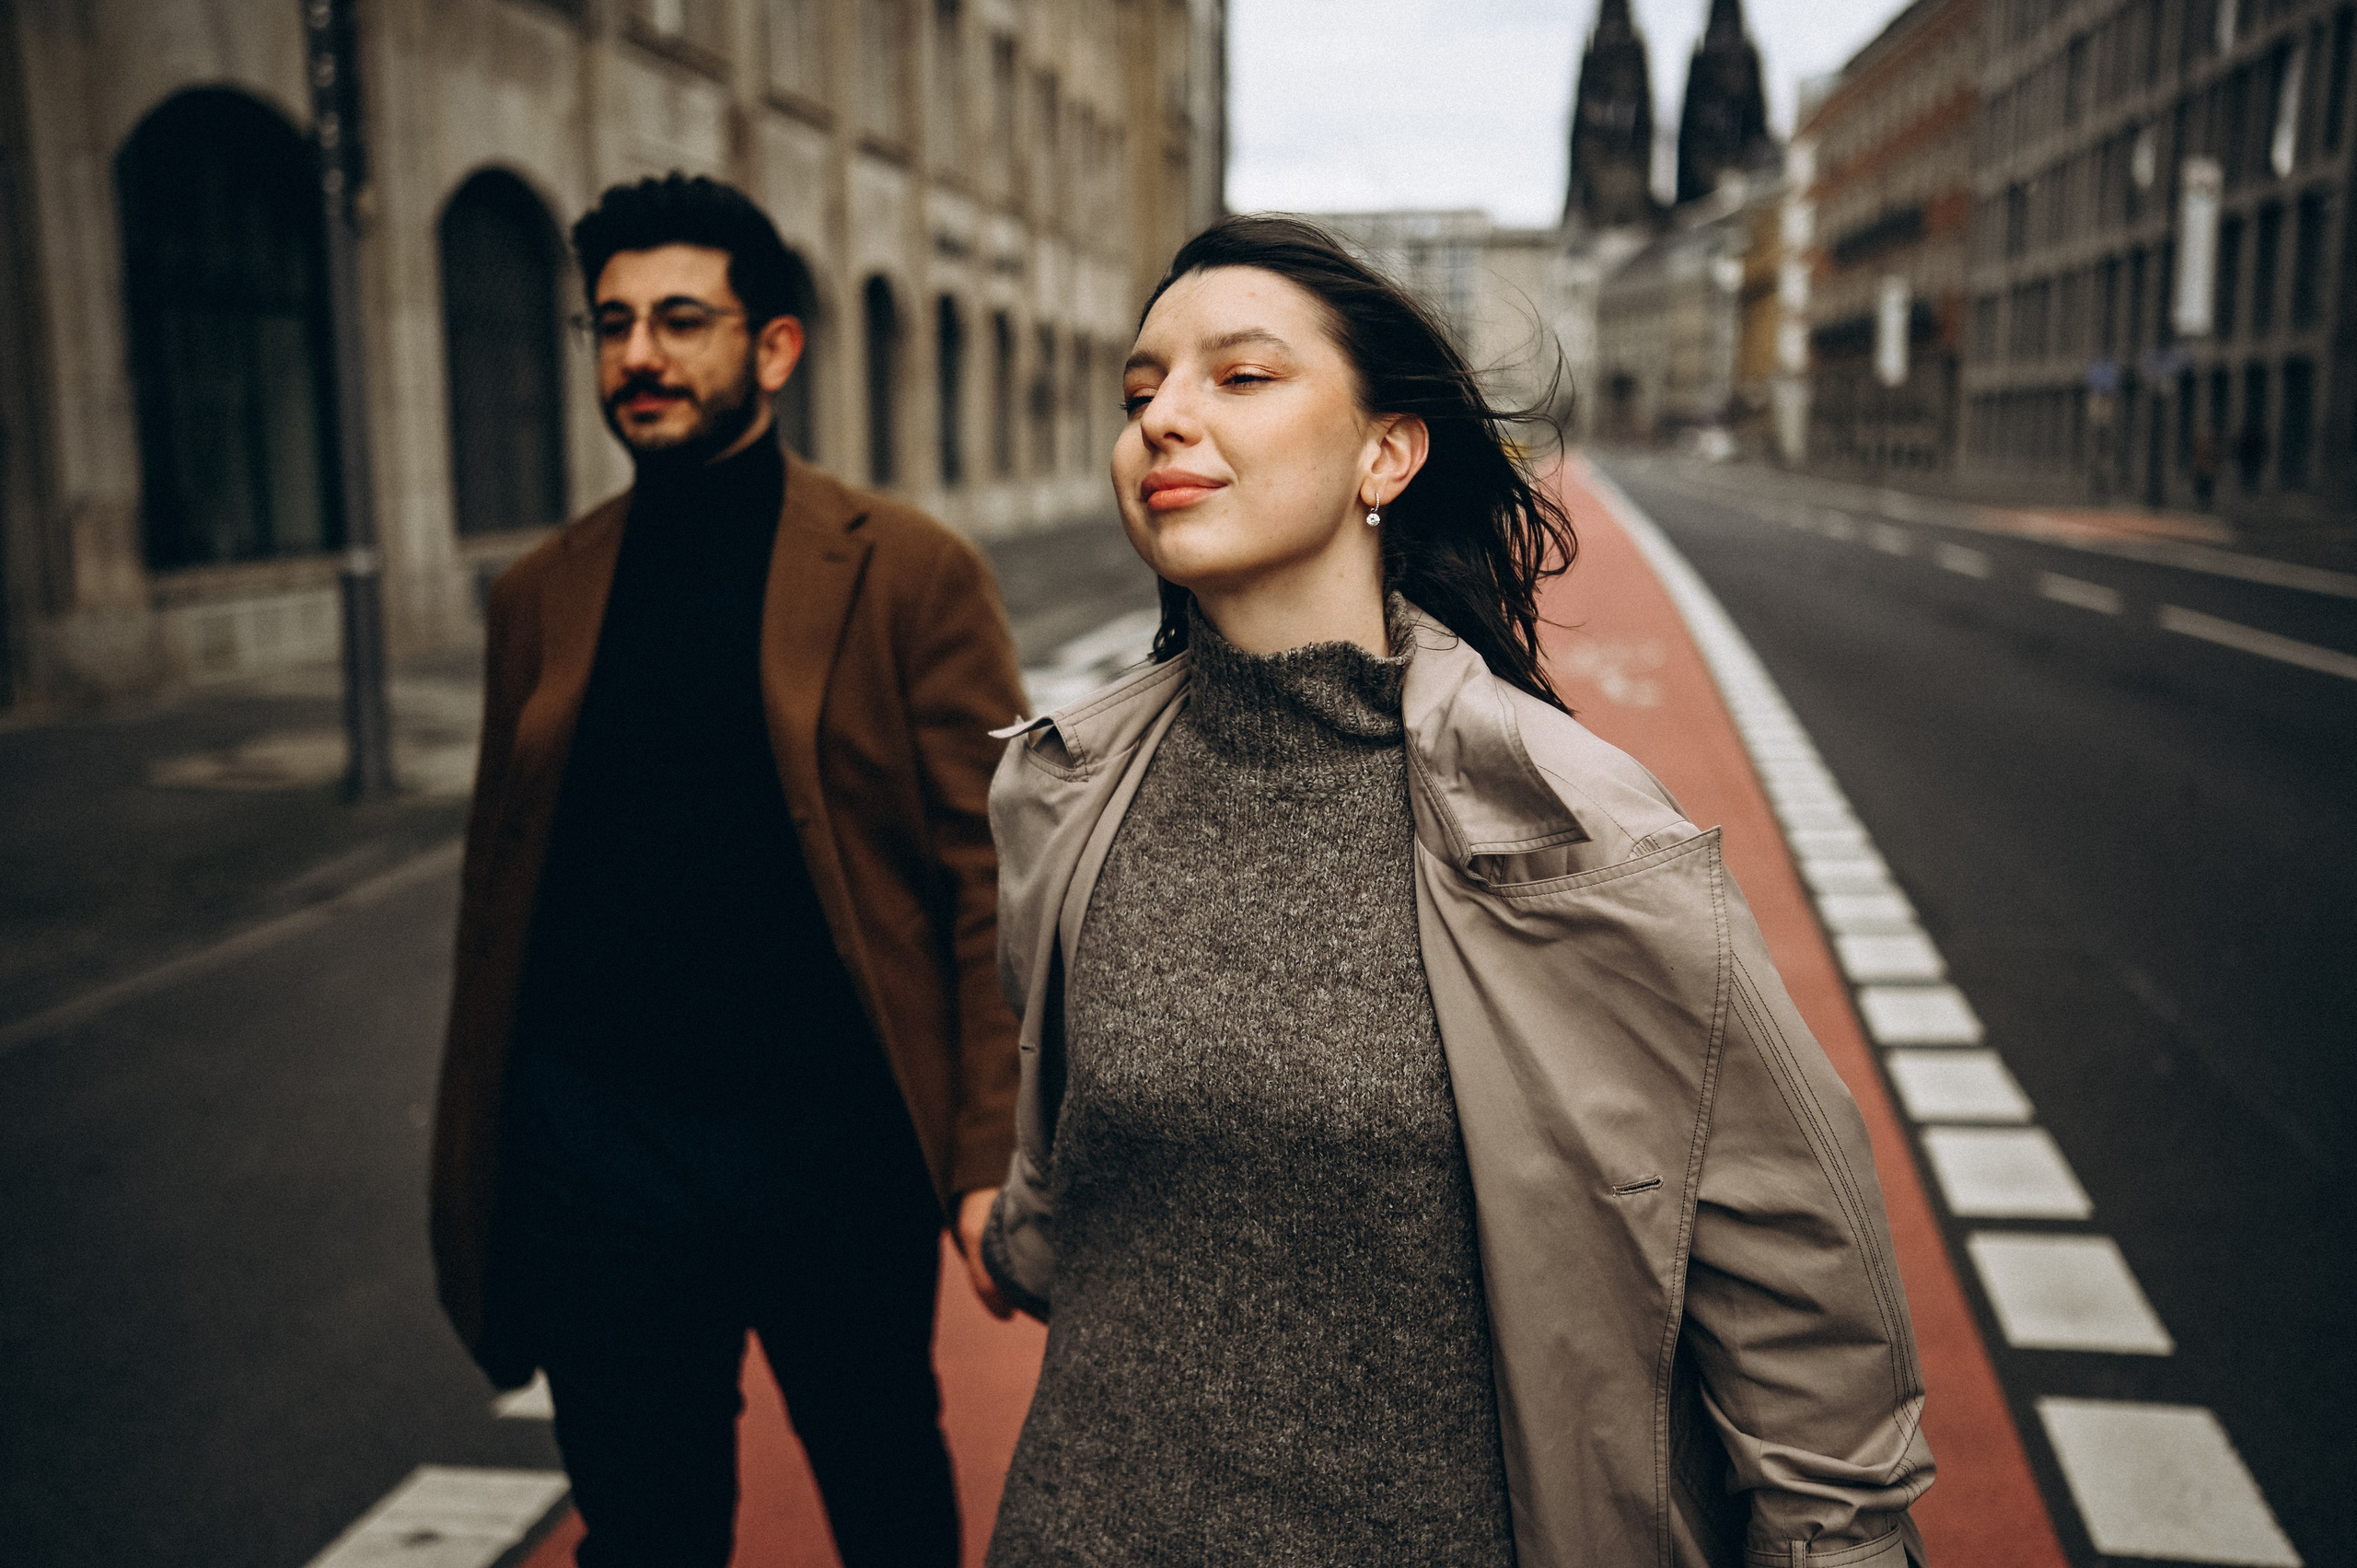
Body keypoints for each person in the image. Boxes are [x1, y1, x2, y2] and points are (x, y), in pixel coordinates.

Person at [981, 216, 1933, 1568]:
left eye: (1238, 378)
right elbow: (1079, 1117)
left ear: (1387, 452)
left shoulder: (1575, 834)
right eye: (1141, 393)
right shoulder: (1064, 792)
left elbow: (1796, 1286)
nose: (1163, 420)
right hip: (1083, 1530)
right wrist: (1021, 1222)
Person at [428, 173, 1025, 1568]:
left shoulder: (910, 571)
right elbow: (497, 889)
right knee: (643, 1528)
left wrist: (986, 1149)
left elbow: (990, 873)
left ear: (772, 348)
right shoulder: (539, 593)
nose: (637, 355)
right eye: (613, 323)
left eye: (680, 320)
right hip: (600, 1163)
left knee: (884, 1485)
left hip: (834, 1150)